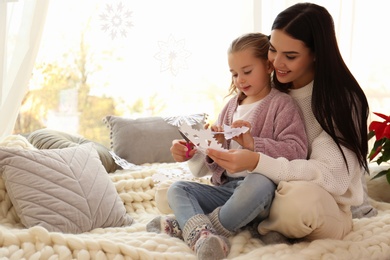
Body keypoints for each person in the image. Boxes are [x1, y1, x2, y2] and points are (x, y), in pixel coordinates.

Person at [205, 2, 373, 243]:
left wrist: (258, 161)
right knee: (174, 193)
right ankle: (252, 221)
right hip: (266, 191)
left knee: (297, 203)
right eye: (272, 50)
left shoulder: (342, 100)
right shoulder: (269, 92)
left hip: (324, 204)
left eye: (290, 56)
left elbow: (329, 176)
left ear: (316, 54)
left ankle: (243, 220)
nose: (276, 63)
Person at [147, 32, 308, 259]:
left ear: (268, 66)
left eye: (247, 71)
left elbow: (297, 150)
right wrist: (197, 149)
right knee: (178, 189)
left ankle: (195, 229)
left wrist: (253, 143)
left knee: (258, 182)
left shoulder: (282, 105)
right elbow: (211, 165)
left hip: (261, 193)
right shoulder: (230, 107)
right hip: (226, 191)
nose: (240, 80)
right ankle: (208, 233)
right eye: (234, 74)